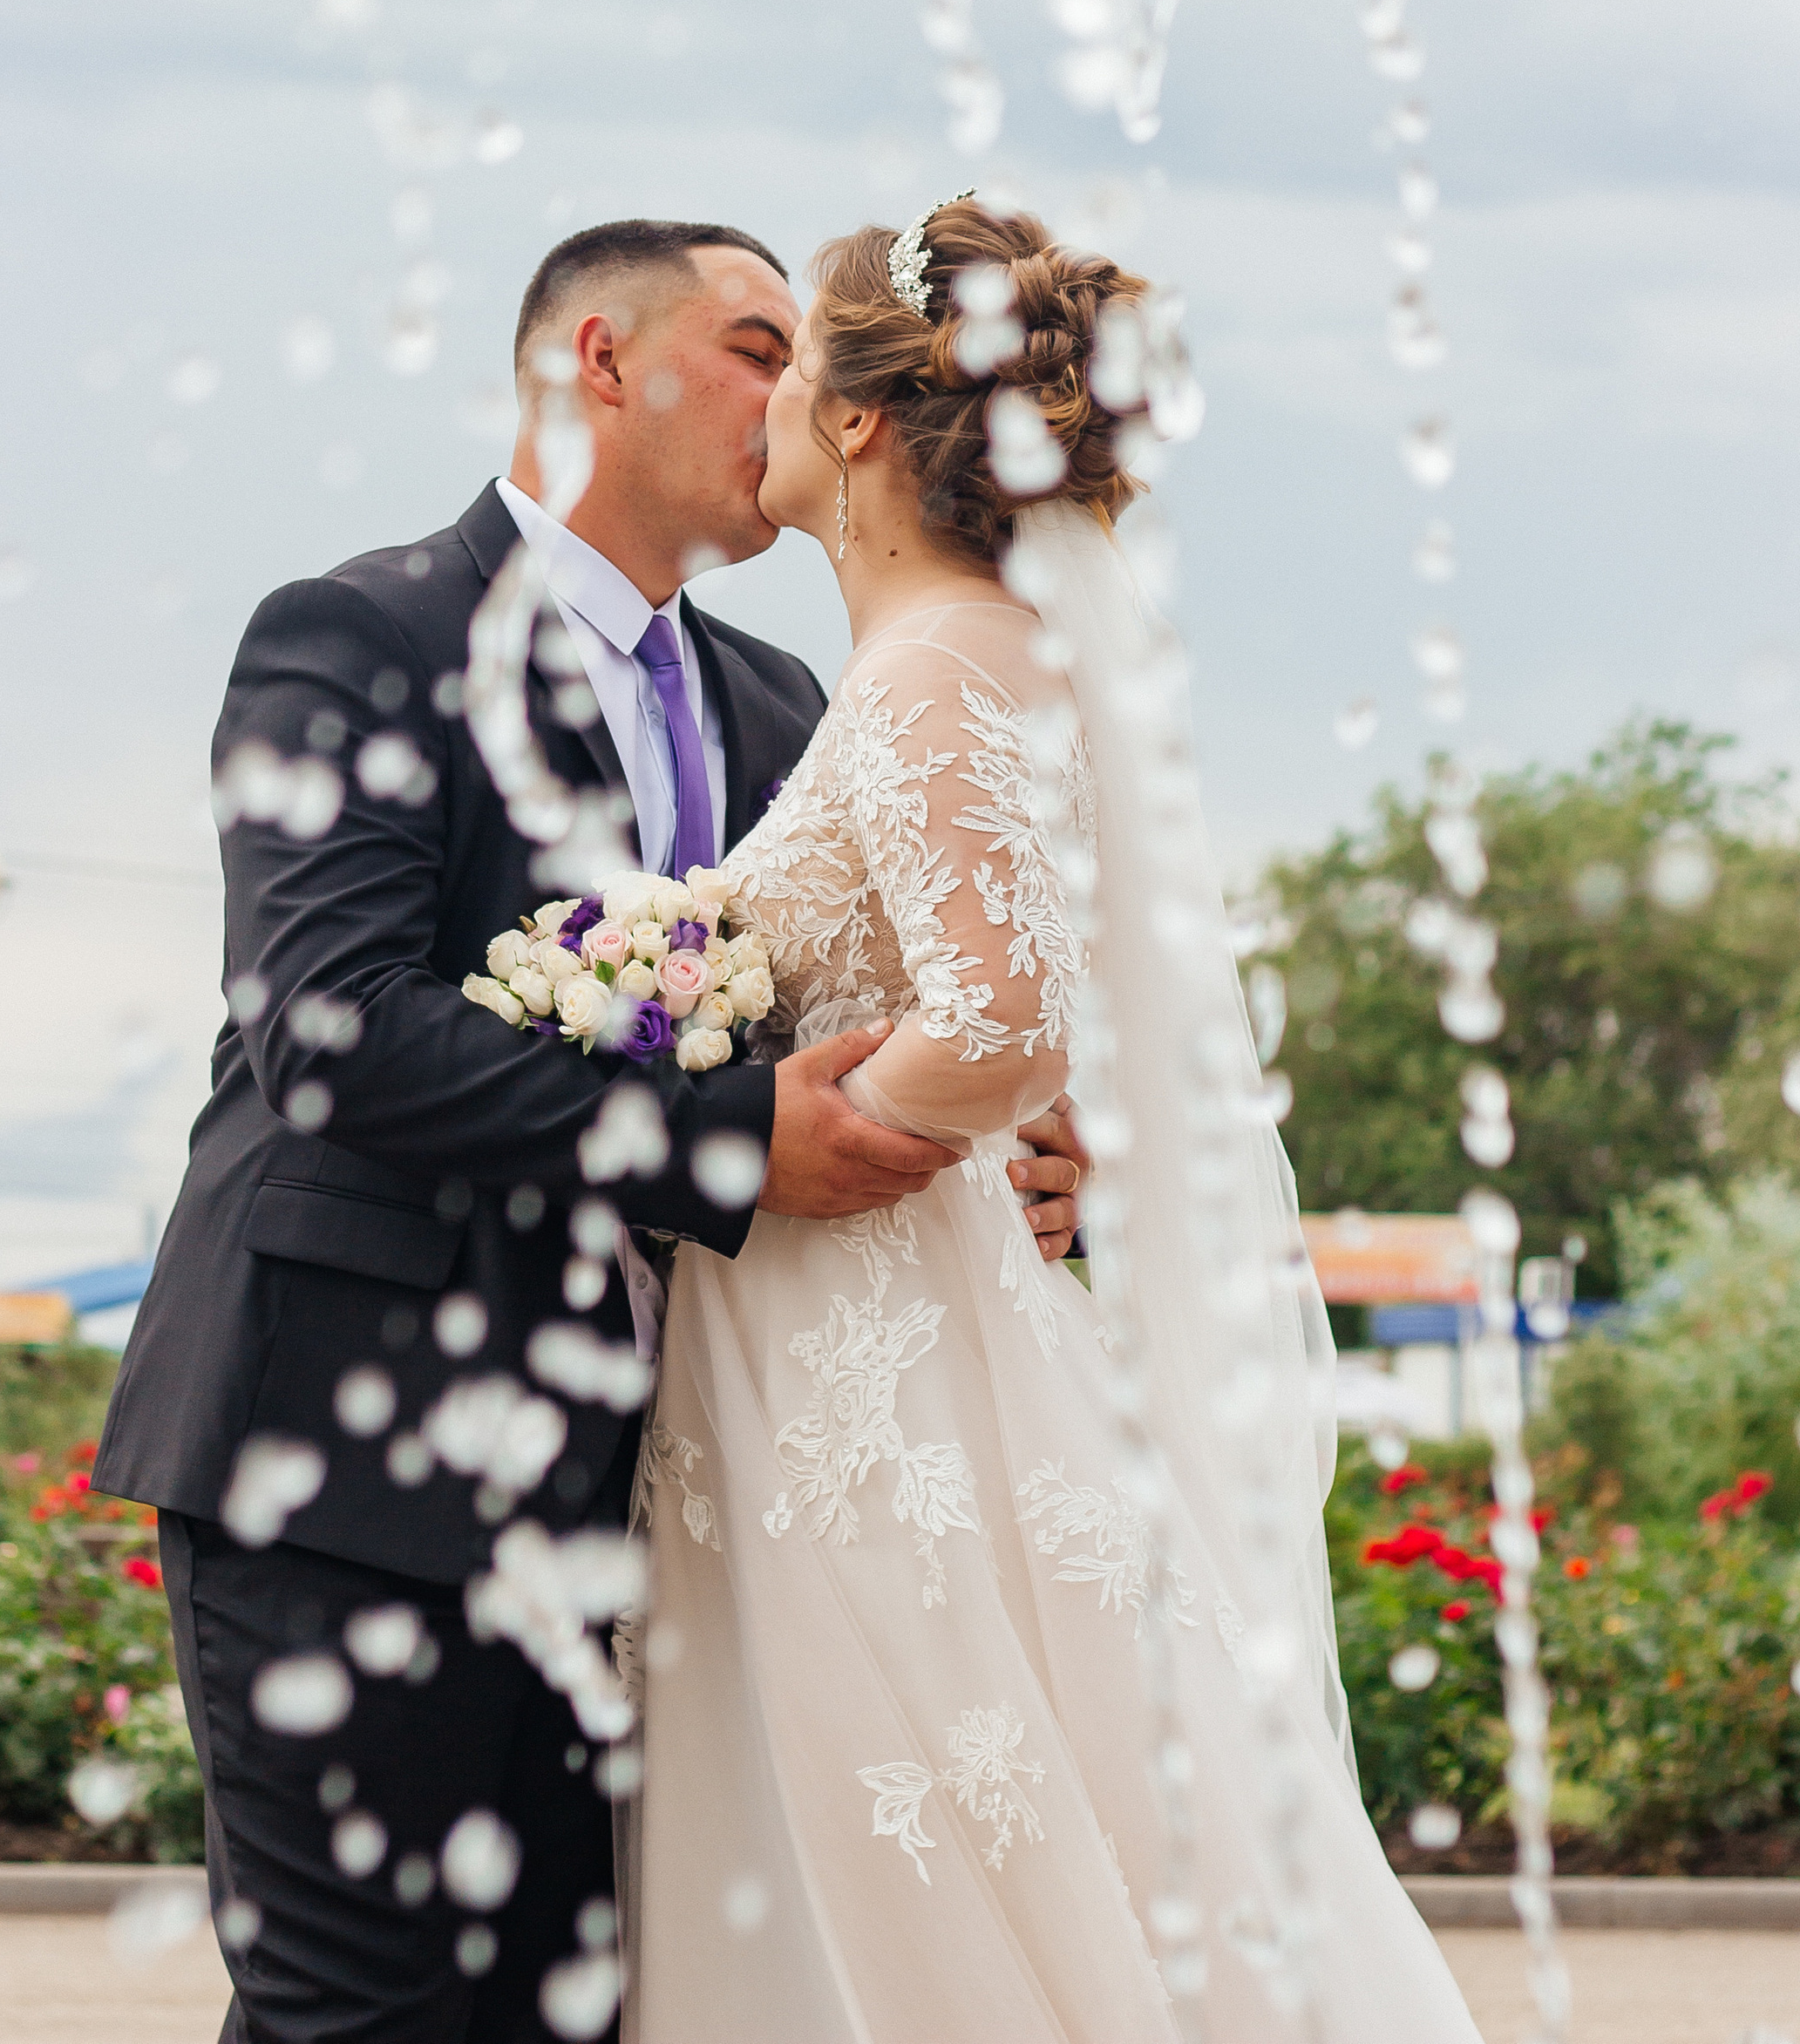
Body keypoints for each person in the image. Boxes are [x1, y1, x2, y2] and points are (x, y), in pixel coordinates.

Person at [94, 216, 1085, 2044]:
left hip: (669, 1493)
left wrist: (1001, 1134)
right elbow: (335, 1030)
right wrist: (725, 1141)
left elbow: (867, 1037)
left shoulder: (791, 701)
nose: (795, 389)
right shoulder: (361, 631)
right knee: (364, 2018)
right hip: (351, 1458)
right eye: (751, 342)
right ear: (596, 363)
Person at [625, 200, 1484, 2043]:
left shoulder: (929, 664)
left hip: (864, 1320)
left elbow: (1000, 1022)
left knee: (917, 1810)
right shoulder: (977, 655)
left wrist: (812, 1140)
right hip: (908, 1314)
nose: (762, 405)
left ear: (859, 426)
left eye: (790, 368)